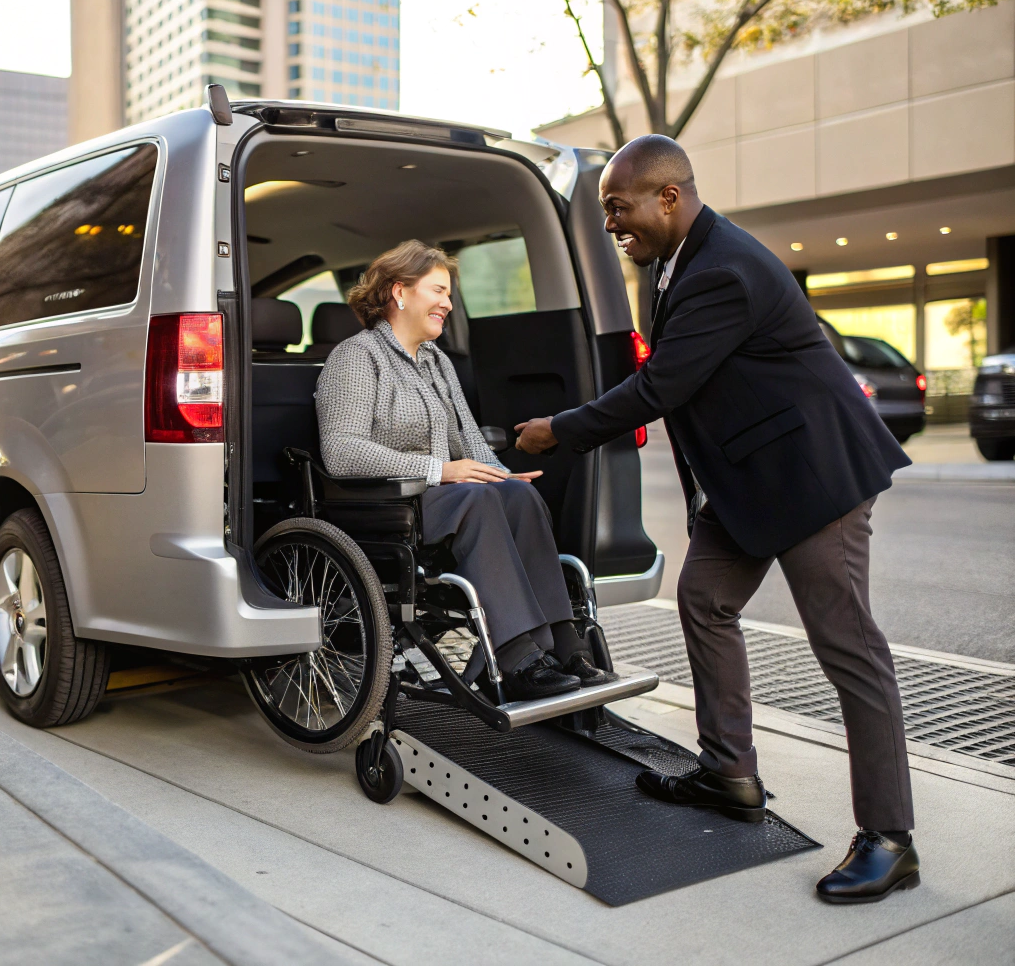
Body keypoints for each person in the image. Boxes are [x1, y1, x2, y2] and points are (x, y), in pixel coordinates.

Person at [514, 135, 919, 904]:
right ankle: (728, 773)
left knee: (849, 649)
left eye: (617, 207)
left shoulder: (722, 269)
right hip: (750, 482)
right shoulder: (678, 262)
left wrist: (558, 430)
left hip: (813, 480)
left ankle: (889, 839)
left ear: (667, 197)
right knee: (703, 599)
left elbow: (661, 388)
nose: (610, 223)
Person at [316, 239, 616, 700]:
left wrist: (500, 474)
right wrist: (440, 470)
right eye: (438, 291)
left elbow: (469, 440)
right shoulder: (356, 357)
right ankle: (517, 657)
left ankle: (563, 644)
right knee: (476, 499)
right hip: (383, 503)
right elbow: (341, 451)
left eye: (450, 294)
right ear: (400, 291)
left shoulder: (435, 361)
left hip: (439, 497)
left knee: (518, 495)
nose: (448, 304)